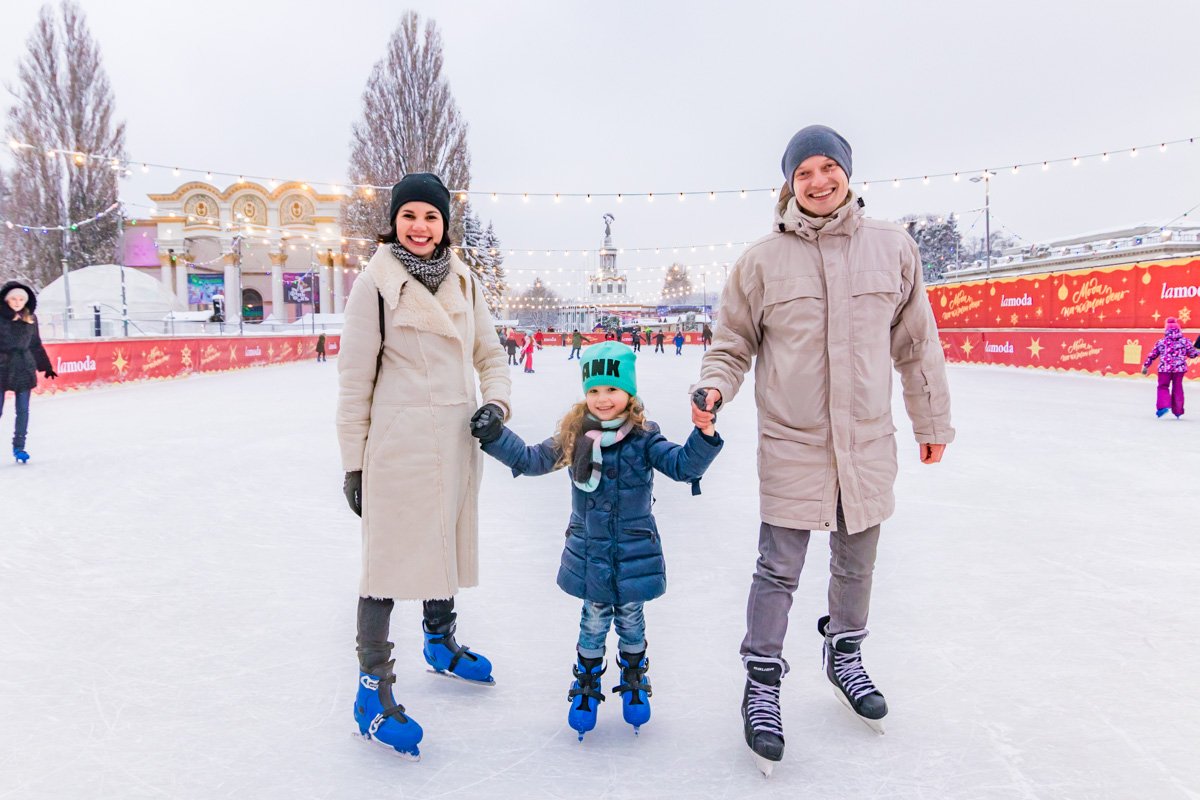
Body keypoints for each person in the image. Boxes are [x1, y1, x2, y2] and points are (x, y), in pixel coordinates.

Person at [690, 124, 954, 775]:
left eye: (827, 168)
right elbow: (730, 343)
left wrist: (932, 423)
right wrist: (713, 387)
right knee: (777, 567)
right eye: (803, 171)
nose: (817, 181)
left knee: (857, 561)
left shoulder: (892, 248)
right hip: (792, 440)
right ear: (789, 183)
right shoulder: (760, 261)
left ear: (846, 173)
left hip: (865, 440)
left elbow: (917, 344)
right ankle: (762, 681)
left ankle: (846, 653)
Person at [336, 172, 512, 761]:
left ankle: (440, 643)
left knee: (442, 548)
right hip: (398, 447)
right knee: (385, 569)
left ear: (444, 225)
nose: (420, 226)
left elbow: (490, 352)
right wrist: (353, 464)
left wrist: (497, 402)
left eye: (431, 217)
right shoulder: (374, 286)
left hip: (457, 438)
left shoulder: (464, 278)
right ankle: (372, 693)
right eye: (409, 215)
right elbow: (354, 382)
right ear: (394, 222)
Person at [469, 342, 723, 740]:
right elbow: (532, 460)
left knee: (631, 622)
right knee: (592, 621)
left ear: (629, 394)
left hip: (634, 552)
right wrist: (497, 435)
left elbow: (682, 465)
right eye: (594, 391)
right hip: (590, 552)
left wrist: (704, 432)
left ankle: (635, 675)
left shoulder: (644, 439)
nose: (603, 399)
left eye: (612, 390)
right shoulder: (575, 437)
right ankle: (586, 683)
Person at [1, 281, 57, 464]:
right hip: (2, 366)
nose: (17, 302)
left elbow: (35, 344)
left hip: (24, 367)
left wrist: (46, 366)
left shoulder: (30, 318)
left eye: (21, 299)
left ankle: (19, 447)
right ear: (6, 300)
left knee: (23, 410)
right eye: (14, 299)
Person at [1142, 317, 1199, 418]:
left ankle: (1163, 406)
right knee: (1178, 387)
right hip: (1179, 369)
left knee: (1163, 386)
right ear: (1179, 329)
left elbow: (1152, 355)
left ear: (1166, 330)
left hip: (1164, 369)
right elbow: (1192, 354)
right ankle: (1178, 411)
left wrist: (1146, 365)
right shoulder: (1185, 341)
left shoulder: (1161, 342)